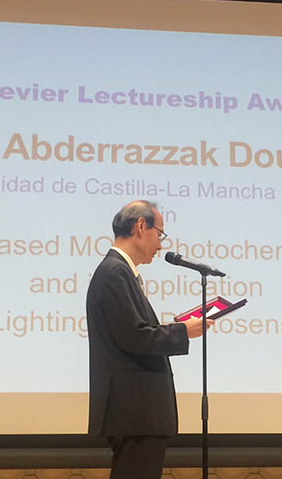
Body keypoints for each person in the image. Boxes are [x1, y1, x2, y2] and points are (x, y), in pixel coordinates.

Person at [86, 200, 212, 479]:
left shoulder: (119, 271)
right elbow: (135, 337)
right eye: (160, 234)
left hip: (136, 413)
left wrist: (178, 328)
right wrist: (183, 331)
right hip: (134, 412)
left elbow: (134, 332)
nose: (160, 244)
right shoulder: (115, 272)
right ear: (141, 226)